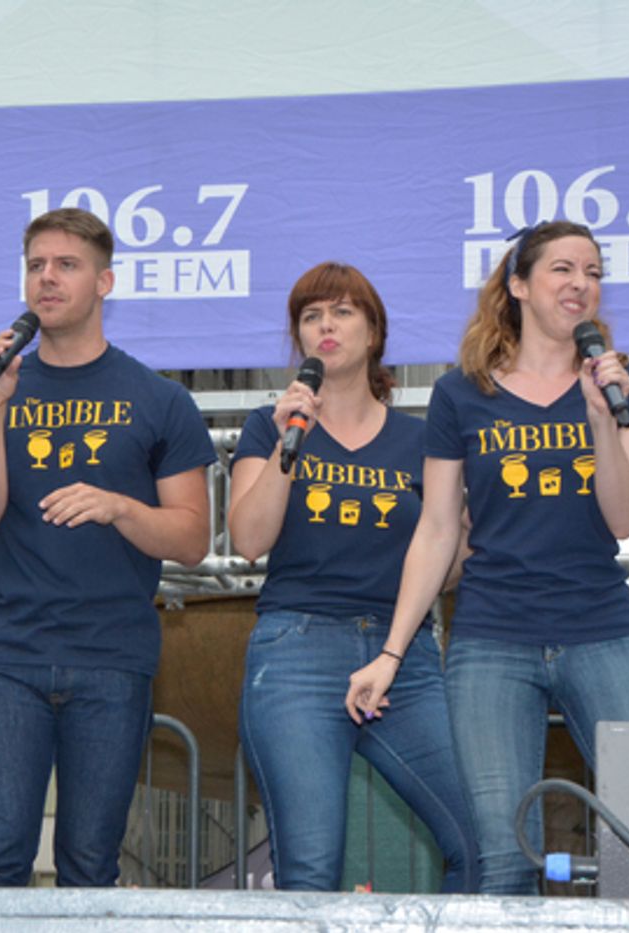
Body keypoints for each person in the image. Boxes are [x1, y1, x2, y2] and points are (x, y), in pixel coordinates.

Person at [345, 221, 629, 894]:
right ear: (519, 285)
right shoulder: (461, 393)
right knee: (502, 855)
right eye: (563, 269)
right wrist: (392, 651)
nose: (582, 283)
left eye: (594, 271)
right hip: (491, 638)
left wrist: (604, 421)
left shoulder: (626, 384)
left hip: (601, 626)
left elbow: (626, 516)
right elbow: (436, 530)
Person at [0, 208, 216, 887]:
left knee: (91, 867)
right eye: (36, 265)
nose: (47, 278)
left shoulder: (158, 399)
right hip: (13, 655)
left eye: (66, 265)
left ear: (105, 282)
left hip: (113, 659)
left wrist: (121, 506)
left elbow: (191, 537)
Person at [228, 262, 477, 892]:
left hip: (405, 657)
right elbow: (250, 540)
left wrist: (458, 536)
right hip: (297, 654)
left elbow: (449, 564)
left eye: (342, 312)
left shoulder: (424, 439)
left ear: (374, 333)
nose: (325, 326)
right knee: (309, 870)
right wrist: (291, 439)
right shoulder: (269, 426)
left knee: (484, 844)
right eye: (311, 316)